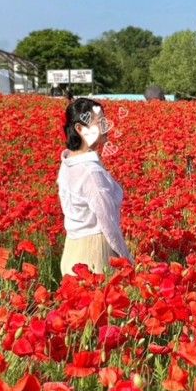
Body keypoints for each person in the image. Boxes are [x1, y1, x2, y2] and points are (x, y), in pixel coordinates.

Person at [57, 97, 134, 277]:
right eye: (100, 122)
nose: (106, 126)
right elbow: (108, 224)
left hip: (71, 252)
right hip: (96, 254)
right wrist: (126, 258)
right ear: (80, 129)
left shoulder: (68, 163)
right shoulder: (91, 172)